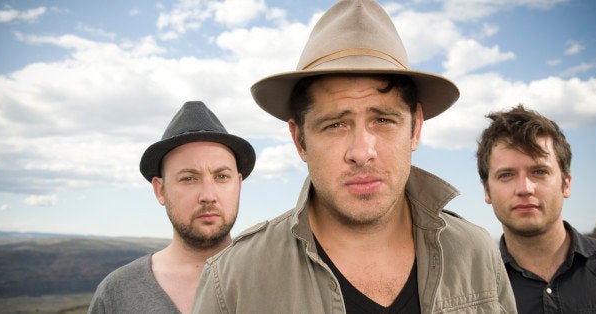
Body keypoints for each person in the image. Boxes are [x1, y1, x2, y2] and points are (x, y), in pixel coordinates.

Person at [192, 1, 516, 313]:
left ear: (415, 128)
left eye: (383, 120)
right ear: (299, 139)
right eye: (335, 124)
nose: (362, 152)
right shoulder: (233, 279)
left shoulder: (476, 253)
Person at [88, 101, 255, 313]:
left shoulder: (277, 278)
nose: (208, 196)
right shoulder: (116, 294)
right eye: (188, 179)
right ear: (160, 190)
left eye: (221, 177)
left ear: (238, 184)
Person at [476, 105, 596, 313]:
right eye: (506, 175)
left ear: (566, 184)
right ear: (487, 191)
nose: (524, 189)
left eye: (539, 171)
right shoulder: (471, 291)